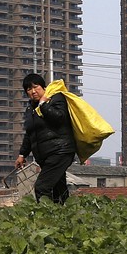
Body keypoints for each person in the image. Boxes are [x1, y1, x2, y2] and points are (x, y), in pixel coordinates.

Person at [16, 73, 76, 204]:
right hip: (46, 156)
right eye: (29, 90)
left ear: (43, 87)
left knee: (42, 187)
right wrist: (22, 154)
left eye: (35, 87)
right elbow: (30, 133)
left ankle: (46, 218)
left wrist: (44, 105)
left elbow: (60, 118)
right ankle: (65, 216)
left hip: (60, 151)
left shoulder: (55, 99)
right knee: (59, 190)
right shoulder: (31, 109)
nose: (33, 91)